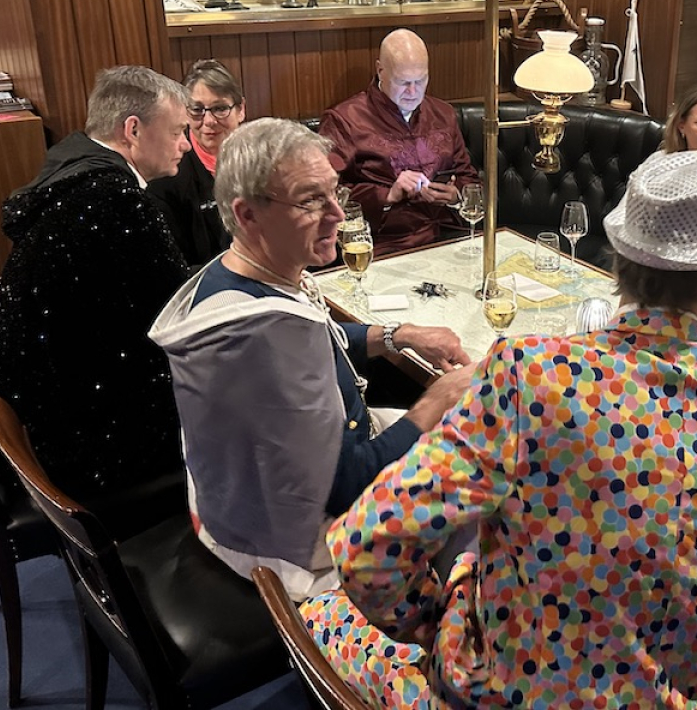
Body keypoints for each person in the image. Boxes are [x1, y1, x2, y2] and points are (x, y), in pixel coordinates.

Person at [299, 150, 697, 708]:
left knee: (322, 613)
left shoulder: (528, 373)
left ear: (619, 260)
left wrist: (440, 621)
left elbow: (368, 547)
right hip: (681, 696)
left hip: (517, 692)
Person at [149, 118, 473, 599]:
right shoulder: (264, 339)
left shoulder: (235, 276)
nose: (338, 214)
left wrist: (398, 335)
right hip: (302, 544)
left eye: (333, 192)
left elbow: (323, 335)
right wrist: (438, 401)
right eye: (310, 201)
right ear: (247, 214)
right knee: (491, 482)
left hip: (238, 497)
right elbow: (347, 486)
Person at [0, 66, 192, 503]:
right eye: (178, 131)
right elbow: (179, 313)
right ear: (133, 130)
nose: (186, 143)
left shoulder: (70, 171)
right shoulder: (116, 199)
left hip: (42, 412)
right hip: (83, 446)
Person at [320, 28, 480, 255]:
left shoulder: (443, 113)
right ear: (380, 71)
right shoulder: (345, 120)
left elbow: (469, 178)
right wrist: (388, 195)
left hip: (451, 235)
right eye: (403, 82)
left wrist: (456, 195)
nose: (413, 92)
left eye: (420, 80)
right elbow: (325, 193)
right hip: (385, 244)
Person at [148, 59, 246, 265]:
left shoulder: (263, 160)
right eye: (197, 109)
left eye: (220, 108)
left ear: (241, 110)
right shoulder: (167, 174)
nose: (209, 121)